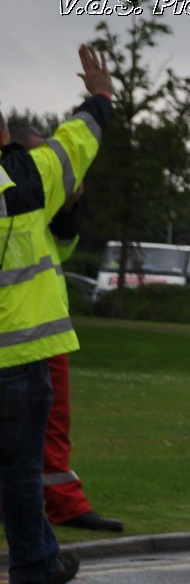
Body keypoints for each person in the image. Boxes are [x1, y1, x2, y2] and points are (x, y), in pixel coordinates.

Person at [1, 45, 114, 584]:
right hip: (20, 361)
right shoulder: (33, 180)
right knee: (20, 471)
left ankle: (34, 564)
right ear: (6, 136)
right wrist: (100, 95)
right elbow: (78, 140)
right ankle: (32, 567)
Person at [9, 122, 122, 533]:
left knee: (51, 427)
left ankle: (62, 505)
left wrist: (68, 211)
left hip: (40, 329)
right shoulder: (19, 191)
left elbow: (59, 248)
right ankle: (51, 518)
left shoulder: (33, 196)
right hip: (23, 332)